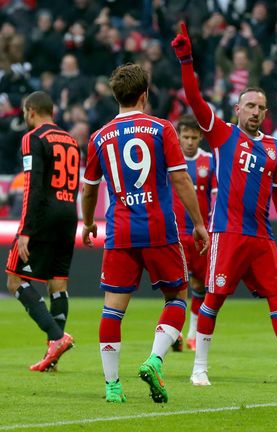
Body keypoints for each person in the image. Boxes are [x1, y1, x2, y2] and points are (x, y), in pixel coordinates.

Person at [172, 23, 277, 387]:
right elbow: (195, 99)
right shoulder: (222, 134)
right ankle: (199, 368)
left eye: (261, 107)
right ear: (237, 108)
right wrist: (186, 61)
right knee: (214, 298)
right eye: (250, 105)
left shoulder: (274, 147)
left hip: (262, 237)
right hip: (228, 233)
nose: (256, 111)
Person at [81, 63, 210, 403]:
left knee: (112, 310)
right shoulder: (161, 128)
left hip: (120, 231)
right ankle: (154, 360)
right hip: (159, 230)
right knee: (177, 298)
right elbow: (180, 178)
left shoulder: (99, 137)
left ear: (115, 96)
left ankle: (112, 386)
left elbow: (89, 189)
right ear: (144, 95)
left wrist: (89, 222)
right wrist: (198, 223)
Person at [5, 91, 79, 372]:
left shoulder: (33, 137)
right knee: (57, 283)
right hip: (69, 214)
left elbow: (33, 185)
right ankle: (52, 357)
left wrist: (26, 229)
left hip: (44, 214)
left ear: (31, 111)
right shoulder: (71, 140)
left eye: (25, 113)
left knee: (14, 279)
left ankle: (57, 337)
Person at [171, 114, 217, 351]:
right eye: (185, 137)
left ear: (200, 137)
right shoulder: (170, 160)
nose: (189, 141)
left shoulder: (209, 161)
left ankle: (192, 333)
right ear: (178, 137)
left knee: (199, 285)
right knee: (176, 284)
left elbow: (216, 197)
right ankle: (175, 332)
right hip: (175, 232)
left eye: (193, 137)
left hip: (200, 234)